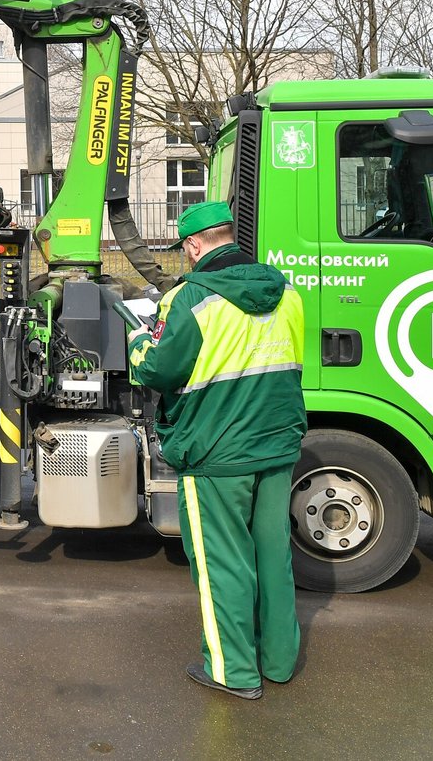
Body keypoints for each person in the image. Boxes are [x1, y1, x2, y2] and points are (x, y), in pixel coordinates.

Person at [127, 201, 306, 700]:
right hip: (276, 445)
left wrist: (138, 340)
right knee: (273, 556)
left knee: (223, 562)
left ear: (193, 246)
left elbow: (158, 370)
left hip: (215, 453)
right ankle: (279, 661)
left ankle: (234, 672)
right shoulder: (287, 292)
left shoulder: (189, 299)